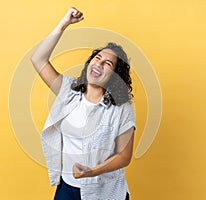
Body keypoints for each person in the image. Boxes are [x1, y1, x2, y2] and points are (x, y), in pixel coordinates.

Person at [31, 7, 136, 200]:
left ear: (114, 77)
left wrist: (92, 172)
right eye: (97, 58)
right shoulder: (68, 91)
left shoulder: (121, 109)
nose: (99, 63)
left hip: (105, 192)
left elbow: (124, 156)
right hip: (67, 189)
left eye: (108, 64)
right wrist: (64, 23)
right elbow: (38, 59)